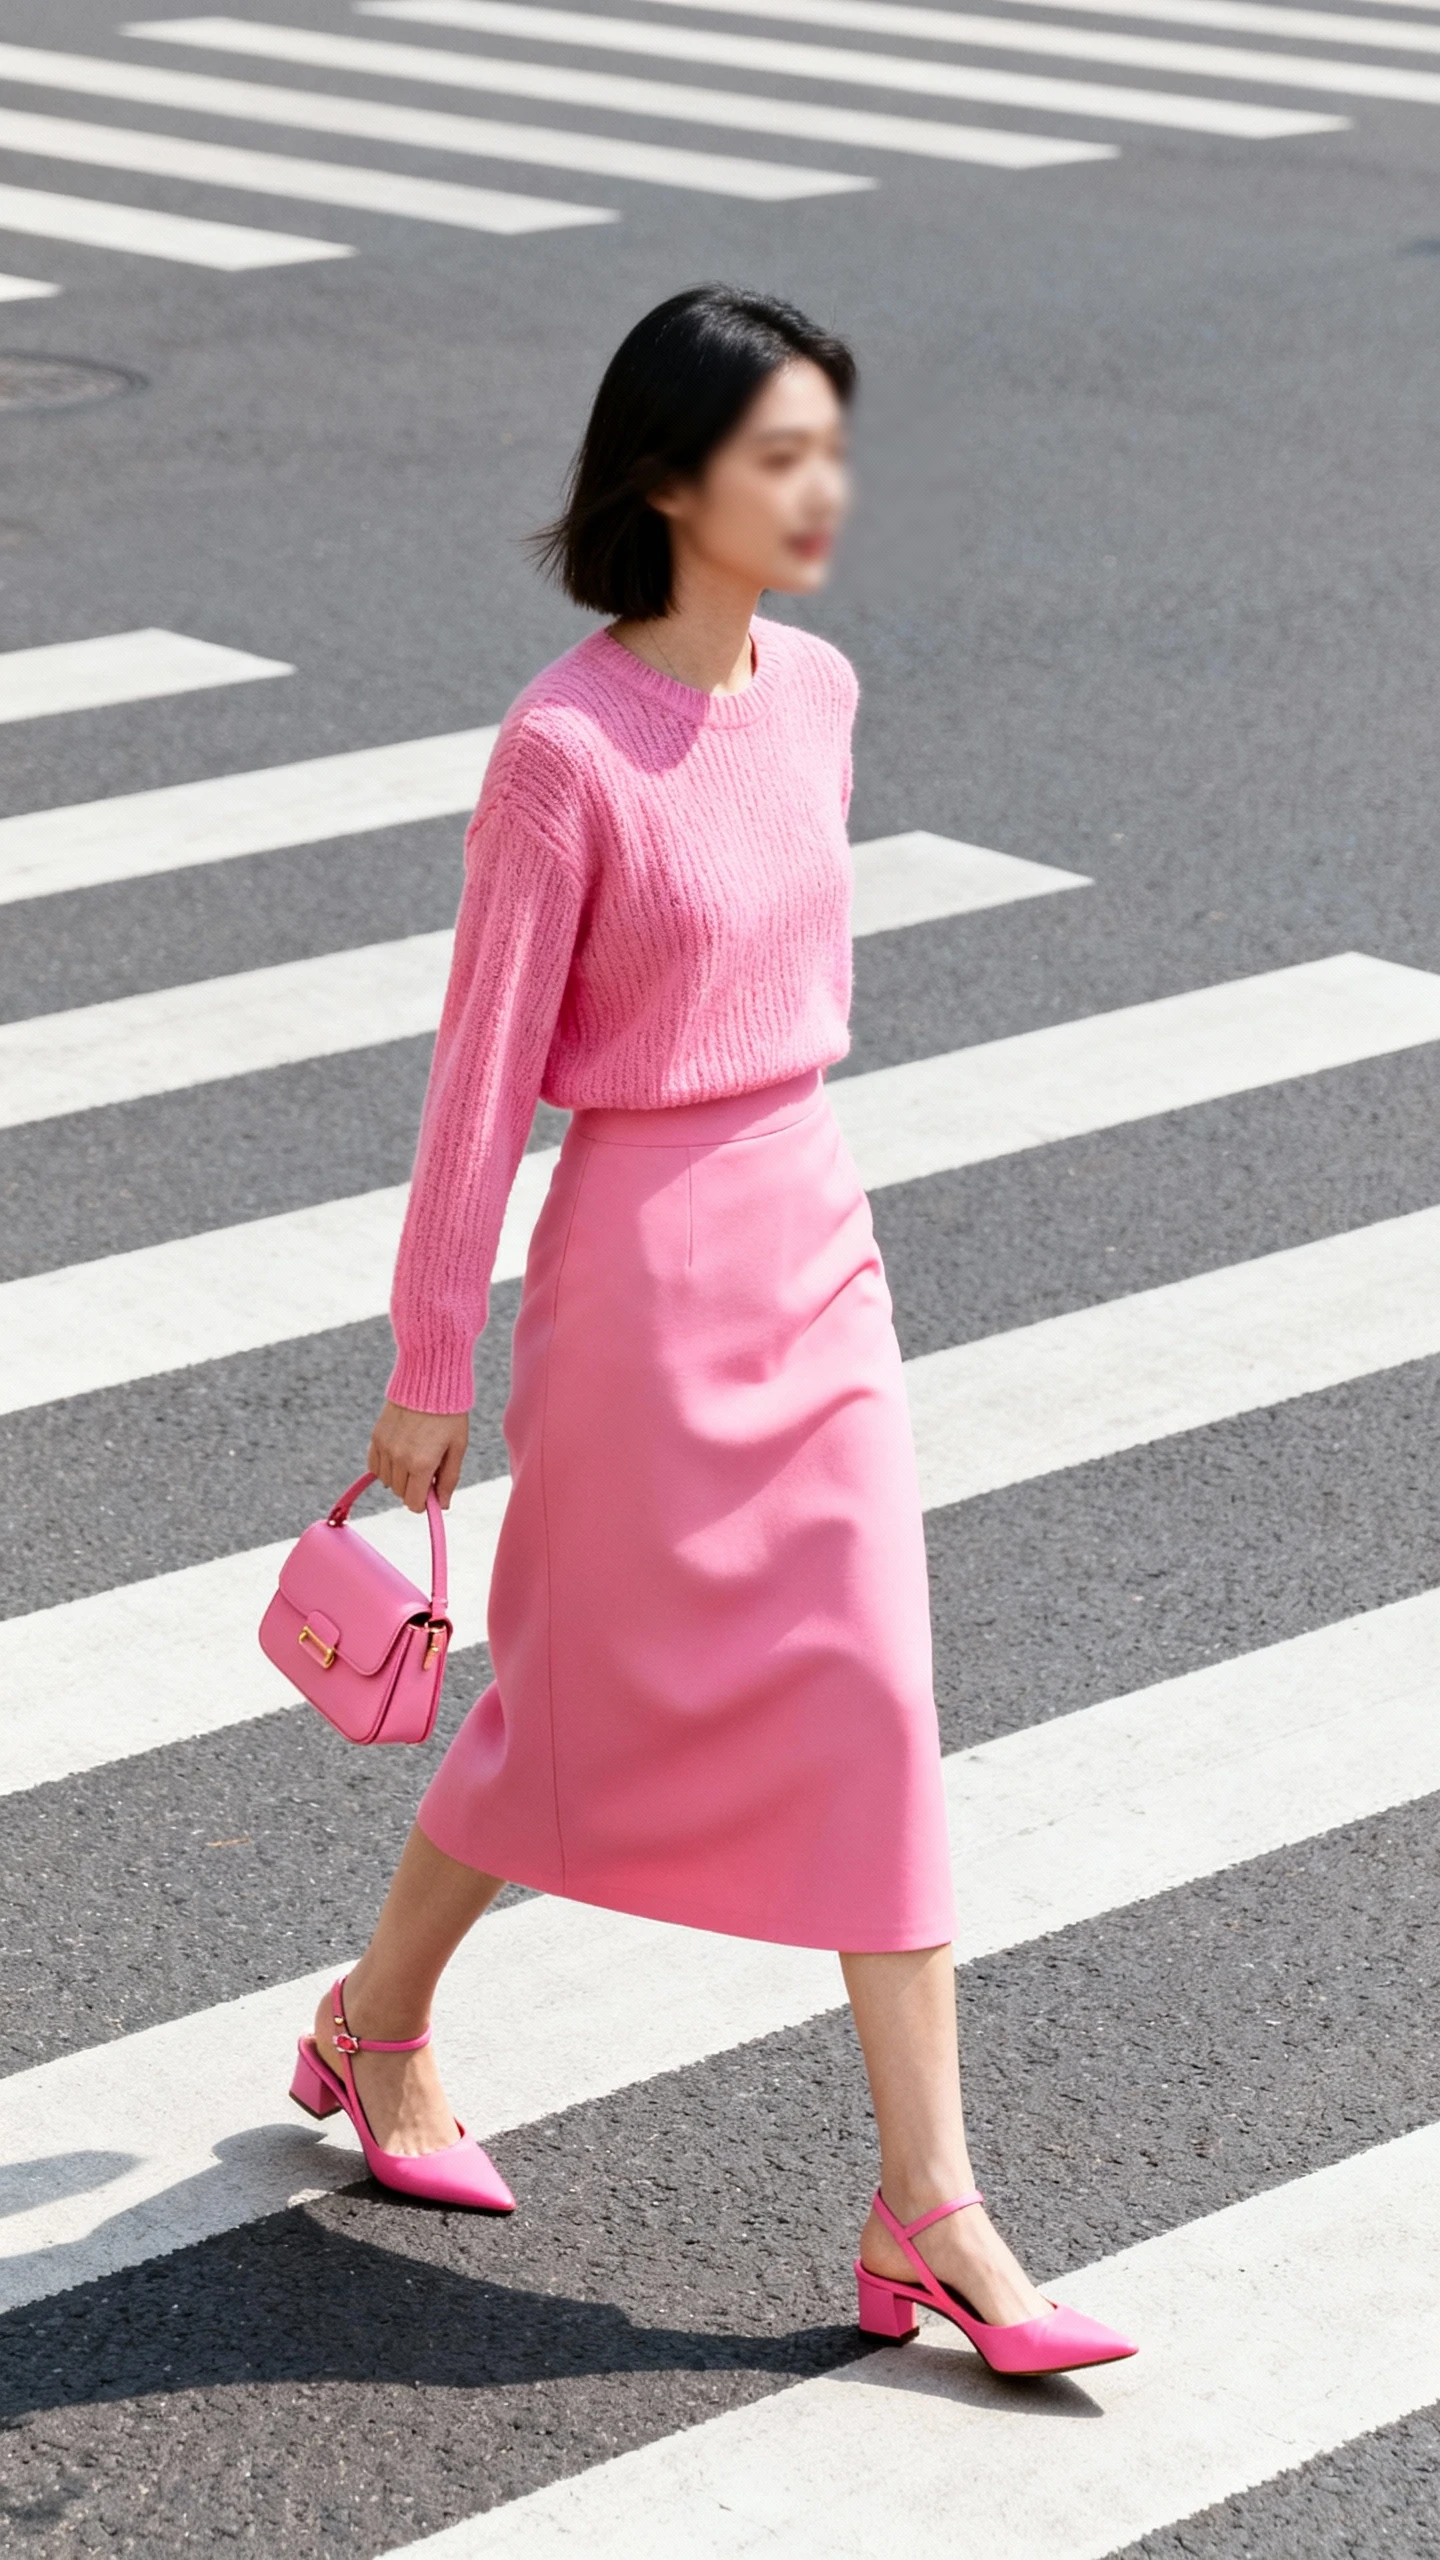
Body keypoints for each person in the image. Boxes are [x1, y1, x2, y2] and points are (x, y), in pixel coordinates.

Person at [289, 283, 1137, 2377]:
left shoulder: (826, 689)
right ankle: (376, 2015)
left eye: (831, 444)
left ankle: (926, 2200)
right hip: (641, 1271)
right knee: (575, 1701)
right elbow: (481, 1083)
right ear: (666, 481)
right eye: (778, 454)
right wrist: (426, 1371)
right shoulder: (561, 751)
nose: (821, 486)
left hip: (811, 1229)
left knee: (871, 1689)